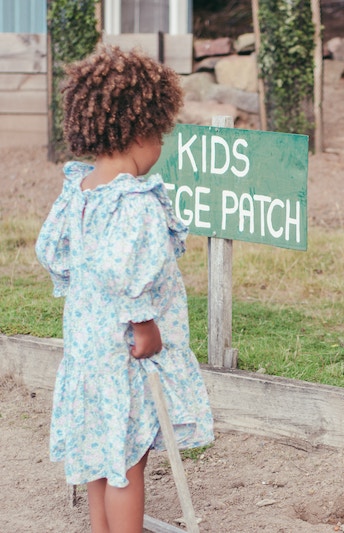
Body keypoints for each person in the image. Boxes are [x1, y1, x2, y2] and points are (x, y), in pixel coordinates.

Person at [35, 45, 214, 532]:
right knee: (127, 460)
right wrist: (144, 323)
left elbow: (52, 250)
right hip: (123, 351)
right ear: (139, 132)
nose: (161, 148)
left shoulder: (81, 189)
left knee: (100, 450)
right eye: (160, 135)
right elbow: (130, 270)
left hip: (87, 347)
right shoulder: (136, 202)